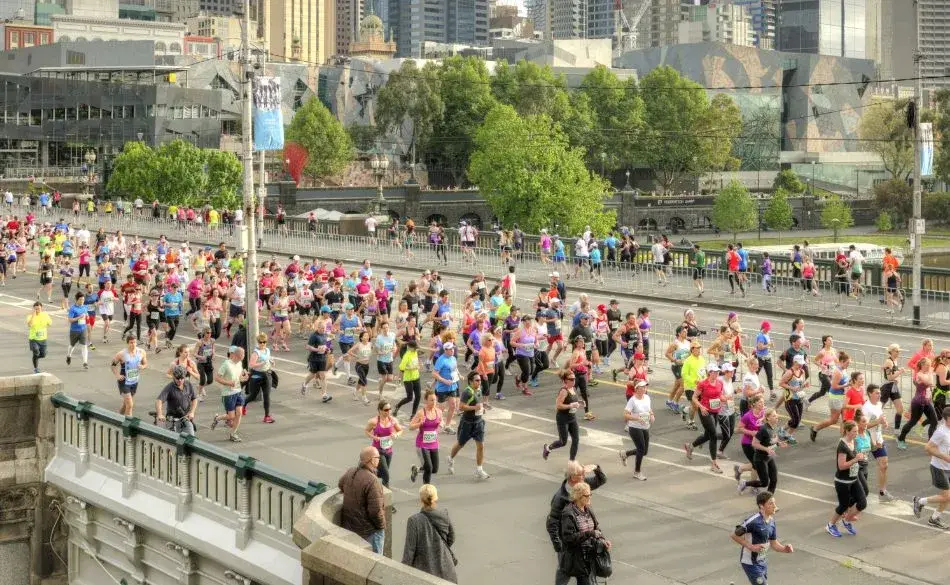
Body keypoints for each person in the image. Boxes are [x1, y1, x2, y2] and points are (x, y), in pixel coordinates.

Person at [547, 461, 607, 585]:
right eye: (581, 474)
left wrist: (596, 467)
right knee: (565, 572)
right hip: (568, 545)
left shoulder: (582, 485)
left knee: (584, 576)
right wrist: (559, 548)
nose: (584, 476)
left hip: (583, 546)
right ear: (573, 477)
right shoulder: (560, 498)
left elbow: (602, 480)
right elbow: (552, 524)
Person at [731, 491, 794, 585]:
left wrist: (785, 549)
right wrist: (751, 546)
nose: (774, 506)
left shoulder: (771, 522)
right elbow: (734, 535)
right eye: (770, 503)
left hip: (762, 561)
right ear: (761, 506)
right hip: (750, 563)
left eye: (774, 503)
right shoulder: (753, 521)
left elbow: (774, 543)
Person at [402, 484, 458, 583]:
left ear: (421, 500)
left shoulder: (414, 520)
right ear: (436, 498)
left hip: (424, 572)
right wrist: (438, 546)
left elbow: (409, 552)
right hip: (446, 570)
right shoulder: (444, 514)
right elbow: (451, 538)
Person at [559, 482, 610, 585]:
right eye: (587, 495)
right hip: (578, 559)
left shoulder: (587, 509)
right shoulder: (568, 513)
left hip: (592, 556)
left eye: (590, 494)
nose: (590, 497)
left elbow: (596, 528)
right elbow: (569, 538)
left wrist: (603, 540)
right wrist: (589, 534)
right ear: (578, 496)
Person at [338, 446, 387, 554]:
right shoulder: (372, 481)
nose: (379, 459)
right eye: (378, 457)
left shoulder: (351, 471)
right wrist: (381, 526)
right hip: (369, 531)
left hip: (350, 527)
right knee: (375, 562)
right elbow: (375, 511)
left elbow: (341, 484)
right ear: (372, 460)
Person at [826, 420, 867, 537]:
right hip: (843, 481)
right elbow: (841, 466)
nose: (856, 433)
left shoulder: (852, 441)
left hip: (854, 479)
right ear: (847, 431)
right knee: (843, 505)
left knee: (862, 503)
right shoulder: (842, 446)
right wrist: (856, 459)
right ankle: (830, 525)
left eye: (857, 431)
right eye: (854, 431)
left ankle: (846, 520)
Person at [447, 371, 491, 480]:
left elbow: (477, 404)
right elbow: (461, 407)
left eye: (480, 380)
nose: (479, 382)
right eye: (477, 380)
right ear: (471, 381)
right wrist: (474, 408)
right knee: (460, 444)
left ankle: (479, 469)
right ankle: (451, 458)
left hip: (478, 422)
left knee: (481, 446)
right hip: (467, 423)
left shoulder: (479, 390)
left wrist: (482, 408)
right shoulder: (467, 392)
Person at [912, 406, 950, 529]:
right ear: (947, 419)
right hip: (939, 467)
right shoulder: (941, 432)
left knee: (948, 496)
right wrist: (945, 457)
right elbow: (928, 448)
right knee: (947, 496)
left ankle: (934, 518)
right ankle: (919, 501)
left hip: (948, 467)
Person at [543, 370, 584, 461]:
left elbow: (572, 401)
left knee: (576, 440)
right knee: (562, 442)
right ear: (566, 380)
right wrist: (571, 405)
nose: (574, 381)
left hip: (572, 418)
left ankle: (572, 462)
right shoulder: (563, 391)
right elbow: (558, 406)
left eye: (574, 379)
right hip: (563, 419)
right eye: (571, 379)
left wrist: (579, 403)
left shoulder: (573, 389)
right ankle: (548, 448)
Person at [210, 346, 248, 442]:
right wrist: (228, 383)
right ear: (236, 355)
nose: (243, 356)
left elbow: (238, 377)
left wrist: (244, 378)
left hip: (238, 391)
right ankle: (218, 418)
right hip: (228, 393)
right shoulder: (226, 364)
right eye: (242, 354)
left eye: (243, 354)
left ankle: (233, 433)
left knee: (239, 413)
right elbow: (217, 378)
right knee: (231, 416)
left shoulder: (239, 363)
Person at [619, 380, 652, 480]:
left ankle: (626, 454)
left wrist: (652, 415)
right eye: (642, 387)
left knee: (644, 451)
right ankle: (637, 472)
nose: (644, 389)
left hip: (645, 426)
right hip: (634, 427)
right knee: (641, 449)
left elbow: (649, 409)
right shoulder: (632, 400)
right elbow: (625, 415)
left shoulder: (647, 397)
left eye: (645, 387)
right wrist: (637, 418)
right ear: (636, 388)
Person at [111, 334, 149, 416]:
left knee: (126, 404)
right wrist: (117, 375)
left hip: (135, 381)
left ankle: (118, 417)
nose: (133, 344)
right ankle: (129, 426)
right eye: (131, 342)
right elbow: (113, 365)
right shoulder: (121, 354)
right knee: (130, 405)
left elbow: (145, 364)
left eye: (135, 342)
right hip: (124, 381)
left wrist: (143, 366)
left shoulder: (141, 352)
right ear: (128, 343)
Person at [155, 365, 198, 436]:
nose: (180, 380)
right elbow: (159, 400)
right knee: (172, 440)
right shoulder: (169, 387)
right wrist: (160, 414)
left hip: (185, 418)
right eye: (177, 378)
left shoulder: (188, 385)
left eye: (182, 378)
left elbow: (194, 399)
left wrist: (192, 412)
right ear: (173, 377)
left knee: (190, 438)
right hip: (172, 420)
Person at [66, 291, 90, 370]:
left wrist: (87, 317)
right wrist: (79, 317)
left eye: (83, 299)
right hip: (74, 330)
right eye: (80, 299)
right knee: (72, 345)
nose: (82, 301)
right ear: (77, 300)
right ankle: (69, 355)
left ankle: (85, 363)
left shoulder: (85, 307)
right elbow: (70, 320)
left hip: (83, 329)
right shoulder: (73, 308)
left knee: (84, 346)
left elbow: (86, 314)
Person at [26, 301, 52, 373]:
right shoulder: (30, 316)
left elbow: (50, 323)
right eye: (36, 309)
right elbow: (30, 325)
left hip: (43, 339)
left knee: (43, 355)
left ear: (41, 308)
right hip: (33, 339)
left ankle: (35, 358)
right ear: (33, 309)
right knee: (36, 351)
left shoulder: (45, 315)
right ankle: (36, 368)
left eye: (39, 309)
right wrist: (33, 315)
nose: (37, 310)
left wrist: (48, 323)